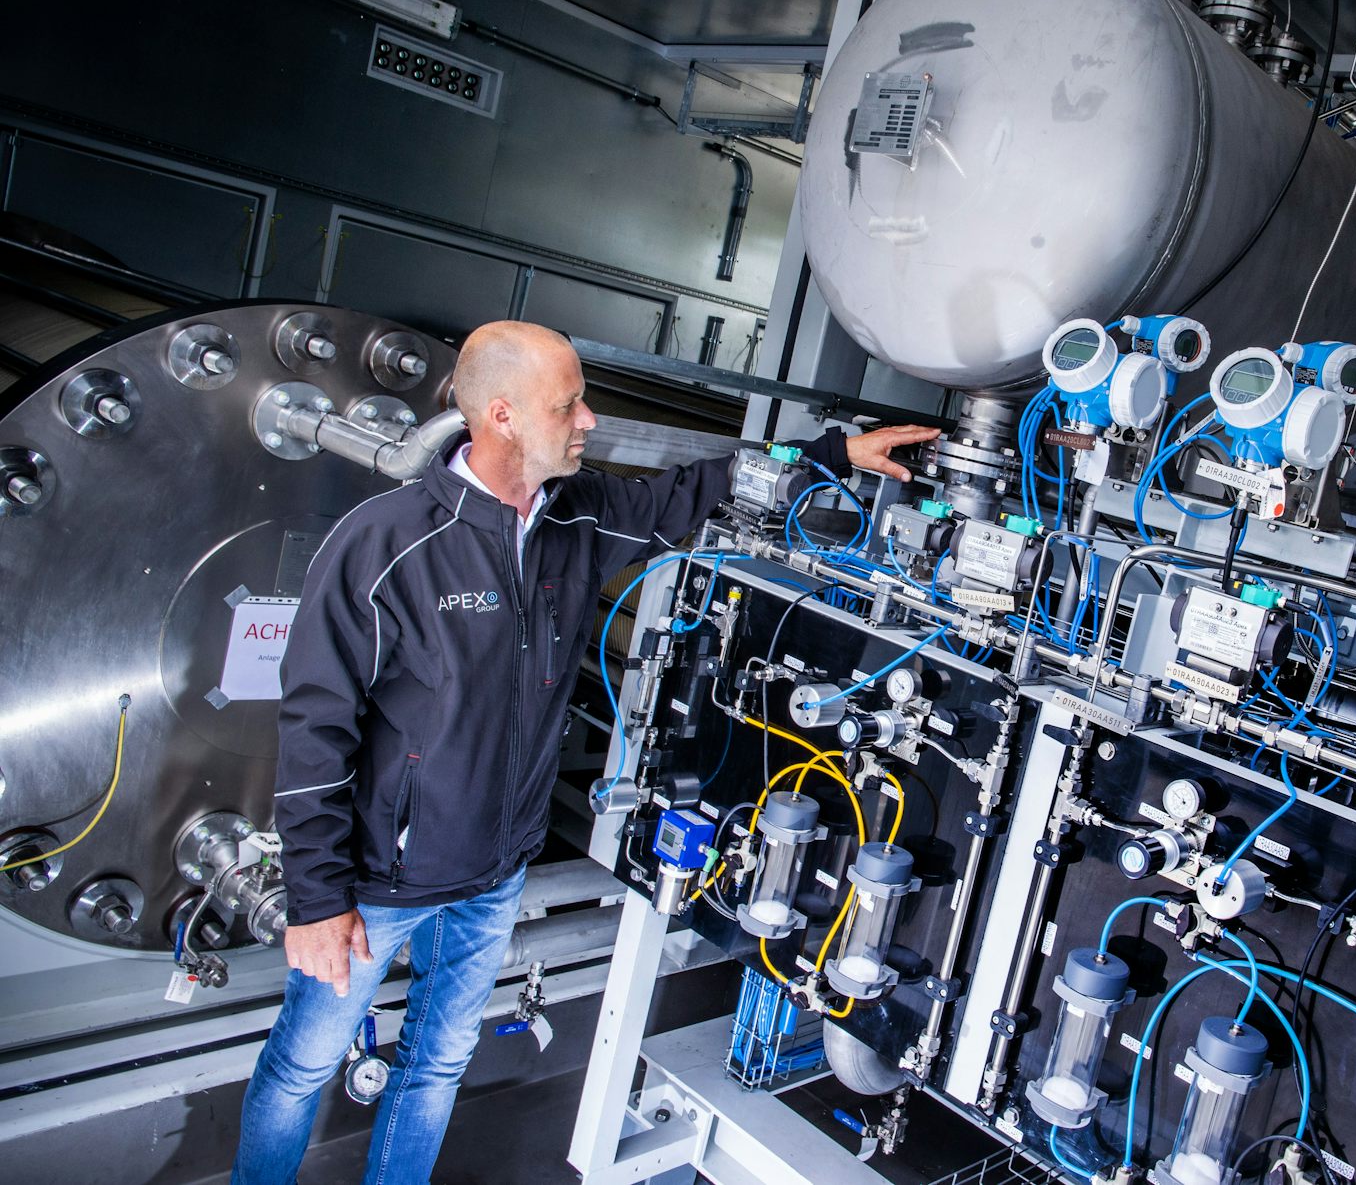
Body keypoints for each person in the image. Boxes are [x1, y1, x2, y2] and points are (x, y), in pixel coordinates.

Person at [232, 320, 937, 1185]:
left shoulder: (579, 515)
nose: (588, 420)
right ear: (501, 416)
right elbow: (315, 728)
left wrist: (838, 451)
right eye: (567, 404)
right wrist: (314, 898)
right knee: (302, 1065)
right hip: (377, 883)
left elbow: (699, 490)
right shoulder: (386, 546)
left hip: (494, 875)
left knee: (438, 1065)